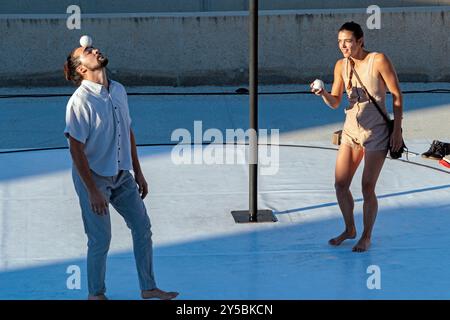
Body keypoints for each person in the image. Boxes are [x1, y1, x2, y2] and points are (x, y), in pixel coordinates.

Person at [63, 44, 179, 299]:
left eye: (93, 48)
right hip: (92, 177)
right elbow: (76, 150)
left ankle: (148, 288)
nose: (94, 50)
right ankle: (96, 294)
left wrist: (138, 172)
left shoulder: (118, 90)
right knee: (100, 239)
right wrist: (92, 191)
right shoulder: (79, 102)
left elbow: (127, 132)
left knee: (142, 227)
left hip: (122, 174)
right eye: (88, 52)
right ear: (82, 69)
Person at [311, 21, 404, 252]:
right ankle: (350, 228)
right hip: (351, 130)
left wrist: (397, 130)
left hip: (377, 132)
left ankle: (366, 235)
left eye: (348, 41)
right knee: (340, 184)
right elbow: (335, 102)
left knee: (367, 187)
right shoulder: (341, 65)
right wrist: (323, 93)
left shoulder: (378, 60)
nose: (343, 46)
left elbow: (396, 94)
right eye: (340, 42)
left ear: (360, 41)